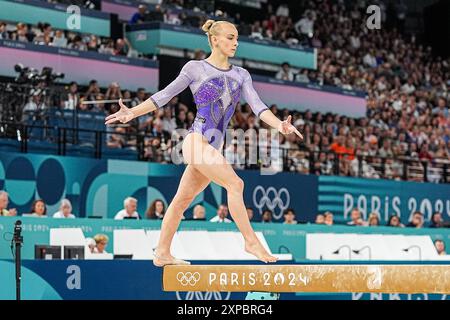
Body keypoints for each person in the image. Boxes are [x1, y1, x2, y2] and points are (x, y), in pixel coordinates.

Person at [105, 19, 303, 266]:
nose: (235, 42)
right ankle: (250, 241)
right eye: (230, 37)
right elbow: (164, 95)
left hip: (214, 147)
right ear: (215, 39)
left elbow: (258, 107)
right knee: (235, 183)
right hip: (196, 141)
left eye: (237, 38)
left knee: (181, 201)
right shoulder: (195, 68)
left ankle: (162, 252)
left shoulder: (241, 75)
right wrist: (131, 113)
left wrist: (279, 125)